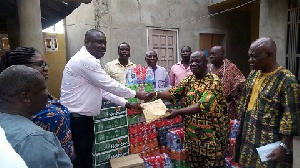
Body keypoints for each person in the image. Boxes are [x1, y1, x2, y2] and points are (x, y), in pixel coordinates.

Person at [60, 29, 147, 168]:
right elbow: (109, 84)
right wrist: (136, 94)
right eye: (99, 42)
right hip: (77, 119)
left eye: (105, 43)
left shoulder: (89, 60)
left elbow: (103, 91)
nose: (103, 46)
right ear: (87, 42)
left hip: (81, 118)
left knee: (85, 155)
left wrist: (127, 104)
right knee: (82, 159)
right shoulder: (85, 60)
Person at [146, 51, 229, 167]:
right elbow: (173, 94)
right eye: (192, 62)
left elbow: (203, 105)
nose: (194, 64)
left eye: (197, 61)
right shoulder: (189, 80)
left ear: (206, 62)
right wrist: (155, 94)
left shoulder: (214, 81)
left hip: (212, 138)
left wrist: (178, 112)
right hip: (192, 137)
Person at [233, 37, 300, 167]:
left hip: (270, 145)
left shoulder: (287, 81)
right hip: (248, 139)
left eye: (254, 56)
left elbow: (291, 119)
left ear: (269, 54)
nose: (250, 60)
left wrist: (284, 146)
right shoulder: (253, 75)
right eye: (249, 56)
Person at [0, 47, 75, 160]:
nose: (46, 68)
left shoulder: (37, 92)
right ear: (21, 67)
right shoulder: (16, 102)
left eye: (45, 64)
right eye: (40, 64)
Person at [208, 46, 246, 120]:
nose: (211, 56)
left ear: (222, 55)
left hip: (227, 106)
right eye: (210, 54)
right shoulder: (207, 68)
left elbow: (242, 81)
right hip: (209, 105)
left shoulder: (231, 68)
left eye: (214, 54)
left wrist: (236, 90)